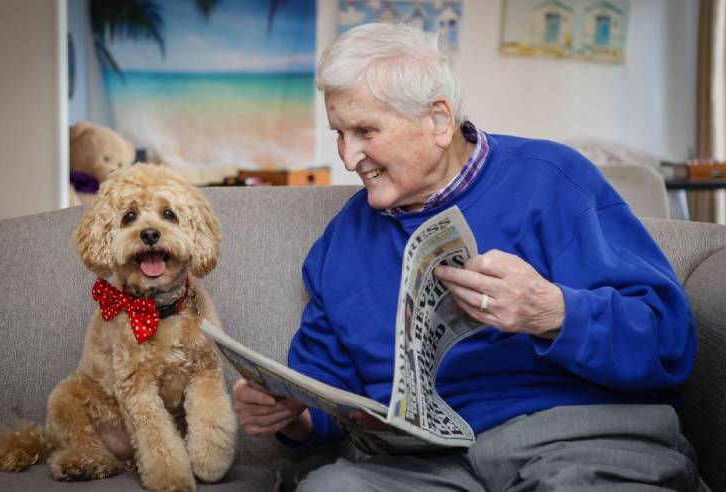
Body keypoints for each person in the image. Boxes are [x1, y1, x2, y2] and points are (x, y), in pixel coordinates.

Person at [233, 23, 699, 491]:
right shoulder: (339, 245)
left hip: (575, 439)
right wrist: (292, 416)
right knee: (330, 488)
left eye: (364, 131)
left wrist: (553, 312)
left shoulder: (554, 180)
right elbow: (327, 392)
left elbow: (669, 339)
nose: (349, 156)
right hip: (433, 464)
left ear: (437, 120)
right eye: (339, 133)